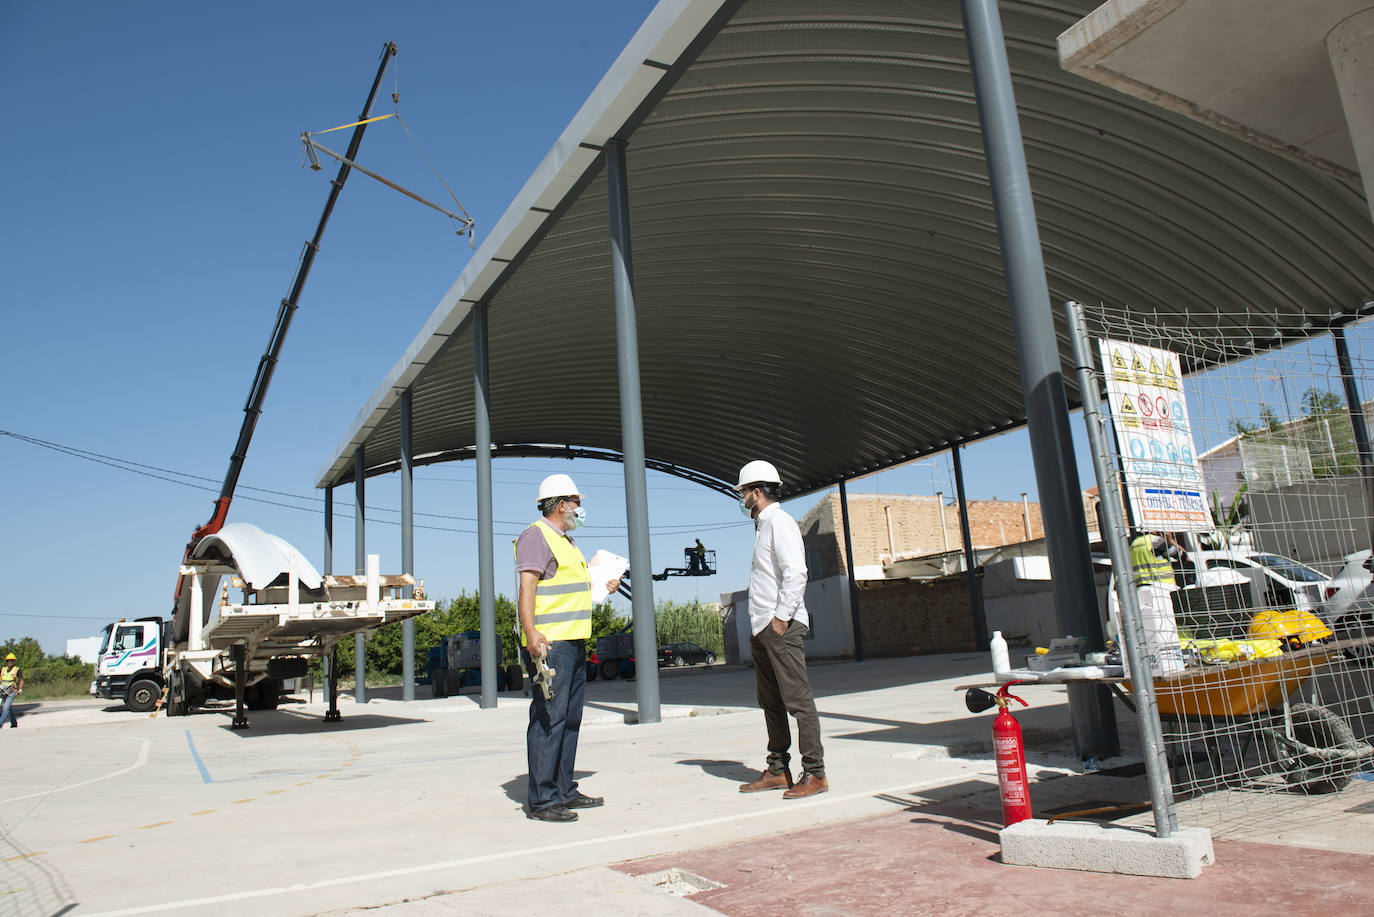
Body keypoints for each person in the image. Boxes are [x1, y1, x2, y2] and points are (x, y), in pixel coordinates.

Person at [515, 473, 620, 822]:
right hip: (551, 644)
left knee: (570, 719)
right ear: (562, 505)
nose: (579, 509)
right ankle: (544, 800)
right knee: (549, 719)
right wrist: (530, 632)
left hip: (573, 641)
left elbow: (574, 591)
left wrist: (604, 586)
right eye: (576, 503)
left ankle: (563, 790)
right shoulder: (536, 536)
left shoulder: (567, 544)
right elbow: (527, 588)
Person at [734, 460, 827, 799]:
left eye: (743, 492)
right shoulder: (763, 526)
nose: (742, 498)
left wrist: (781, 618)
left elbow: (796, 572)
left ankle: (815, 773)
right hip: (763, 629)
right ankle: (777, 769)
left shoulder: (780, 522)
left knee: (798, 700)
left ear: (756, 493)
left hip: (780, 627)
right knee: (770, 701)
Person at [1, 653, 23, 729]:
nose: (9, 662)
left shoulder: (17, 670)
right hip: (3, 691)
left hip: (12, 691)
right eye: (8, 661)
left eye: (11, 660)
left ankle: (0, 723)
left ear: (14, 661)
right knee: (8, 708)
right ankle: (14, 723)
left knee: (5, 708)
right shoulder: (3, 669)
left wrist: (20, 689)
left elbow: (21, 680)